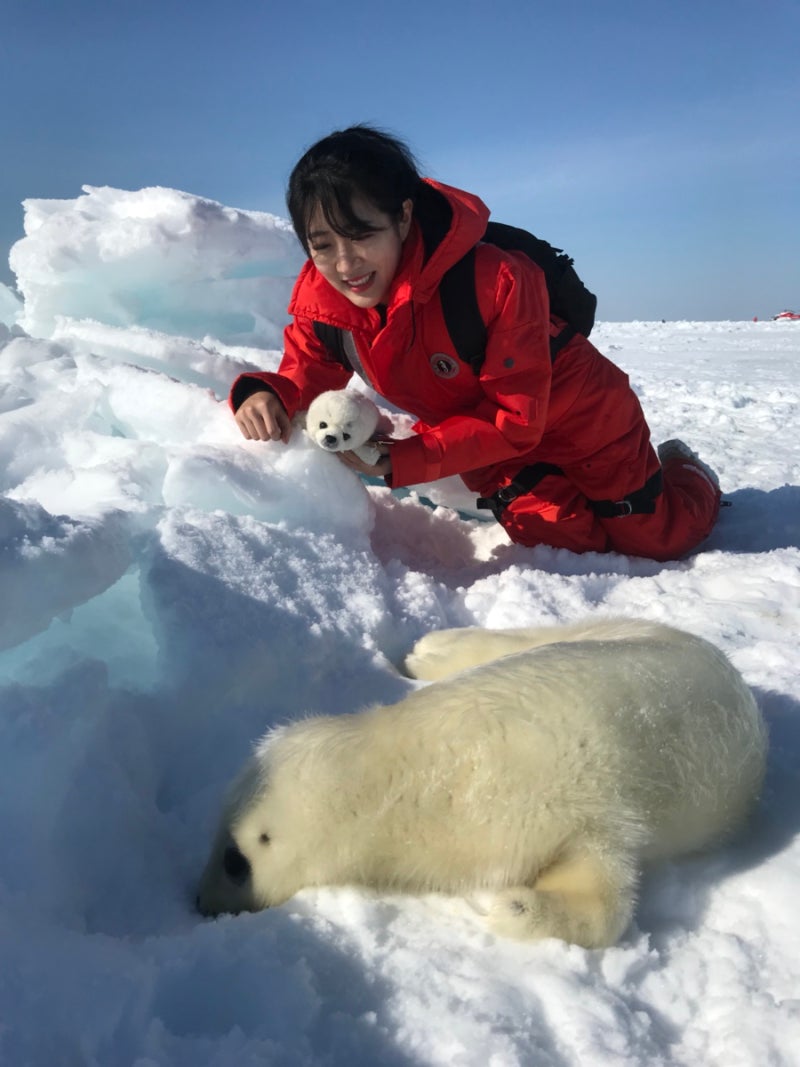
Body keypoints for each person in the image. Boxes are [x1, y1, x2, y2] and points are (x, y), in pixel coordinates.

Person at [230, 125, 721, 561]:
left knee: (659, 541)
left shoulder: (497, 279)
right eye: (322, 245)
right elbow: (306, 368)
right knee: (566, 545)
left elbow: (516, 417)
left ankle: (686, 469)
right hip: (492, 448)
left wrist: (400, 459)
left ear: (403, 217)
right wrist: (266, 392)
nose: (344, 265)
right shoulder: (328, 308)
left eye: (361, 235)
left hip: (585, 419)